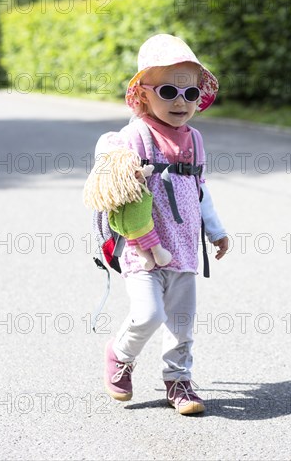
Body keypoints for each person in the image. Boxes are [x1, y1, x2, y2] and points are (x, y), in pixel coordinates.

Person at [97, 33, 228, 415]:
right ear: (143, 95)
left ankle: (179, 381)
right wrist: (120, 162)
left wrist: (216, 231)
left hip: (184, 246)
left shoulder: (195, 140)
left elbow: (200, 188)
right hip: (143, 247)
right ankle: (119, 355)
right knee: (149, 314)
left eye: (190, 94)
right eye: (169, 91)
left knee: (182, 323)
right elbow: (108, 155)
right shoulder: (137, 134)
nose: (180, 102)